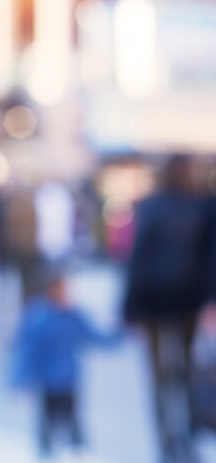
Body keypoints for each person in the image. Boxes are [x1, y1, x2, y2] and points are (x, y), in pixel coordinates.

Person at [123, 154, 208, 463]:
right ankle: (181, 436)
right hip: (185, 299)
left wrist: (130, 303)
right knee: (182, 372)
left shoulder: (158, 206)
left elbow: (139, 258)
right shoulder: (201, 206)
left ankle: (168, 437)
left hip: (159, 300)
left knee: (161, 375)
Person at [10, 268, 119, 459]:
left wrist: (117, 335)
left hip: (69, 381)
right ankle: (46, 451)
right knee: (47, 423)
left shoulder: (73, 316)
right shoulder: (40, 320)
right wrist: (20, 381)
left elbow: (94, 335)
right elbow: (28, 353)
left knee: (73, 421)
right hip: (49, 384)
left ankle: (77, 450)